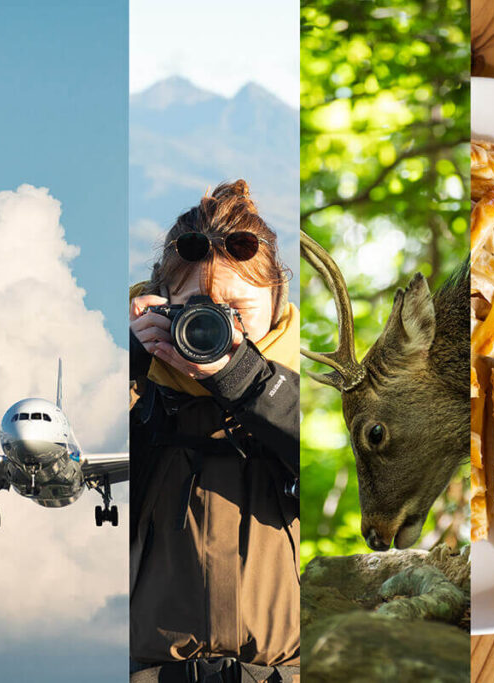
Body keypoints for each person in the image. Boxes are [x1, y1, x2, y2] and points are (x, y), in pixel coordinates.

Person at [130, 180, 300, 683]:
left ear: (275, 302)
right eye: (195, 309)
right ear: (163, 303)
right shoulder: (140, 393)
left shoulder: (308, 388)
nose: (214, 328)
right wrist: (130, 362)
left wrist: (244, 379)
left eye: (236, 312)